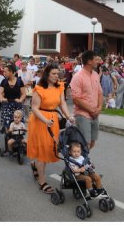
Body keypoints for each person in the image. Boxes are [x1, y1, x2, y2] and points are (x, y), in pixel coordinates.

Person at [27, 63, 75, 195]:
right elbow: (35, 108)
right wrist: (45, 120)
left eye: (57, 73)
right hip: (40, 120)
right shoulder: (39, 88)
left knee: (49, 148)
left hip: (52, 120)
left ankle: (35, 166)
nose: (56, 76)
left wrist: (68, 116)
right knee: (42, 150)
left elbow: (62, 103)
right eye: (53, 74)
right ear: (47, 75)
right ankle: (42, 181)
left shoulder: (60, 86)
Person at [70, 51, 103, 150]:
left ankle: (80, 161)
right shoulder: (77, 77)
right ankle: (80, 163)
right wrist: (92, 110)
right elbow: (76, 99)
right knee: (84, 143)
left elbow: (100, 93)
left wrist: (99, 108)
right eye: (96, 59)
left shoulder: (96, 74)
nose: (98, 62)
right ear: (89, 61)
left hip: (95, 114)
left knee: (92, 143)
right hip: (82, 114)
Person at [0, 63, 26, 137]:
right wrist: (1, 99)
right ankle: (8, 143)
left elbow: (23, 94)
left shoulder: (19, 81)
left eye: (5, 71)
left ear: (11, 72)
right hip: (7, 105)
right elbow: (0, 92)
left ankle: (19, 141)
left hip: (17, 106)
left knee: (19, 124)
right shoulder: (4, 81)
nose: (4, 73)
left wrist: (20, 100)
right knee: (7, 124)